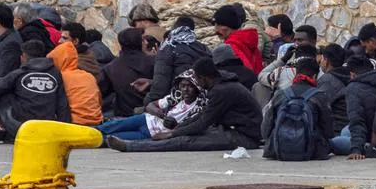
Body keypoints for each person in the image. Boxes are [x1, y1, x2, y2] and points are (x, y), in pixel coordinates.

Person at [107, 57, 262, 153]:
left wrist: (172, 134)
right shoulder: (221, 84)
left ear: (204, 79)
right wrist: (177, 129)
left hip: (244, 137)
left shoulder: (222, 90)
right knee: (184, 135)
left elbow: (203, 121)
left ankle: (130, 147)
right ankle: (133, 144)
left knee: (185, 141)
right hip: (232, 130)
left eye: (196, 79)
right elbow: (203, 116)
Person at [0, 39, 71, 145]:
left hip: (20, 126)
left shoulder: (18, 74)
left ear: (23, 57)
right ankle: (1, 134)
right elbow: (62, 105)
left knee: (3, 92)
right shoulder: (56, 75)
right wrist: (63, 132)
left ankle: (2, 133)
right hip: (46, 127)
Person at [96, 70, 207, 142]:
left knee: (109, 139)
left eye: (190, 87)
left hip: (152, 134)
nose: (185, 90)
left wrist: (175, 126)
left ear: (197, 88)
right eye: (182, 86)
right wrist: (159, 113)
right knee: (106, 127)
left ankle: (82, 140)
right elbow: (150, 106)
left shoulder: (198, 107)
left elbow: (193, 127)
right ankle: (81, 132)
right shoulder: (176, 97)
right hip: (144, 120)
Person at [262, 57, 333, 160]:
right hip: (313, 152)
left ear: (296, 73)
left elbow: (266, 128)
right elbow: (328, 131)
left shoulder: (281, 94)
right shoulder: (320, 96)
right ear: (314, 76)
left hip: (279, 150)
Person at [335, 55, 376, 159]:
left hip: (375, 138)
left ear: (352, 74)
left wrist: (357, 149)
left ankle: (368, 146)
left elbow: (357, 120)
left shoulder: (353, 89)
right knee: (345, 131)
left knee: (333, 142)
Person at [144, 17, 211, 104]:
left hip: (177, 100)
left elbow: (160, 85)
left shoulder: (168, 47)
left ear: (174, 29)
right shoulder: (204, 48)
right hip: (202, 100)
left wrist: (148, 102)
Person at [101, 27, 155, 118]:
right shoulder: (154, 61)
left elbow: (103, 92)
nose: (146, 42)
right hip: (153, 114)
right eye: (142, 40)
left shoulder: (110, 68)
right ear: (137, 42)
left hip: (124, 117)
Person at [49, 37, 103, 126]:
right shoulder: (88, 76)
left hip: (75, 124)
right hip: (96, 121)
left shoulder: (60, 78)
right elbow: (99, 101)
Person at [213, 4, 263, 74]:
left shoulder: (232, 47)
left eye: (219, 25)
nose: (215, 29)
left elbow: (245, 73)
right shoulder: (246, 40)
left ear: (229, 26)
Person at [316, 43, 349, 136]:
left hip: (335, 132)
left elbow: (318, 106)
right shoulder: (348, 76)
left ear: (326, 61)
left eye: (322, 59)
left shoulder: (328, 81)